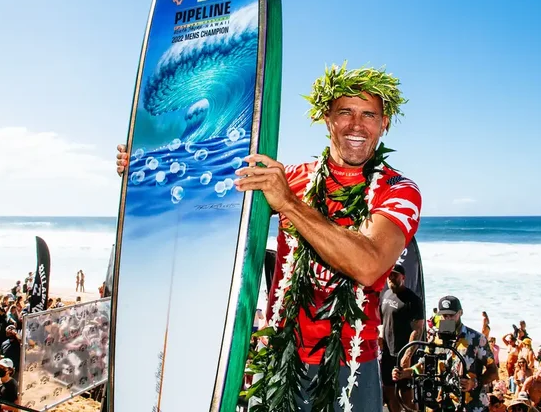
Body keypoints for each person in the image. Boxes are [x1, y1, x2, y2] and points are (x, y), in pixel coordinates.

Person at [115, 62, 422, 411]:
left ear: (384, 123)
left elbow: (369, 264)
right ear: (327, 119)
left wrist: (289, 203)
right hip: (279, 356)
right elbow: (206, 188)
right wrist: (142, 162)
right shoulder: (291, 177)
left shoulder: (398, 191)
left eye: (368, 114)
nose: (356, 124)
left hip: (351, 367)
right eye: (345, 112)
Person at [393, 295, 499, 411]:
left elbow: (493, 371)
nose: (447, 319)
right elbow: (423, 366)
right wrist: (404, 373)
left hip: (471, 406)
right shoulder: (435, 339)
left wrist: (473, 383)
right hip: (441, 404)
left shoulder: (476, 339)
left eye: (451, 315)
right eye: (444, 316)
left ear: (460, 313)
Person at [379, 264, 424, 412]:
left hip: (403, 355)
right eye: (389, 275)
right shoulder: (385, 295)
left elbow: (418, 330)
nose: (391, 278)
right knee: (390, 395)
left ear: (403, 277)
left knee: (407, 399)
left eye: (395, 275)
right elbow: (382, 321)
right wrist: (380, 337)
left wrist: (407, 355)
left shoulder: (413, 300)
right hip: (387, 355)